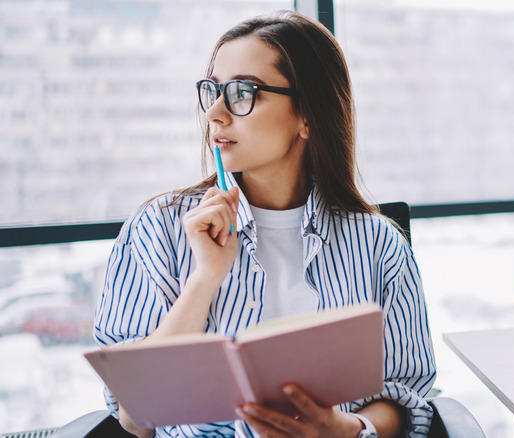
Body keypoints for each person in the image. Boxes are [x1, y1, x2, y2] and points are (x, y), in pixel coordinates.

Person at [93, 11, 436, 438]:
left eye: (241, 93)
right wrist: (204, 278)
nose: (215, 113)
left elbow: (405, 397)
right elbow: (133, 417)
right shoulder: (159, 228)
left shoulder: (379, 243)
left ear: (307, 115)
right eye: (212, 91)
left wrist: (342, 429)